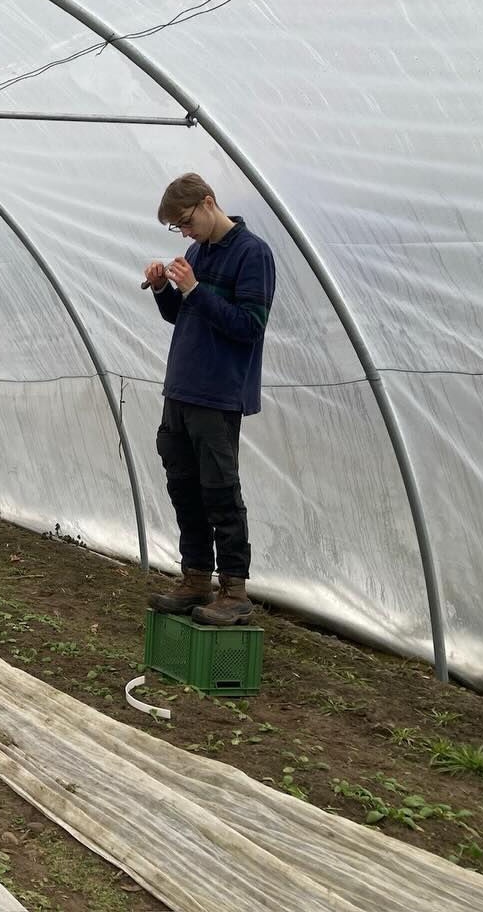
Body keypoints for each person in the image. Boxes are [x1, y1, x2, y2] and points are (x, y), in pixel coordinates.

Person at [144, 173, 275, 626]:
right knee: (183, 488)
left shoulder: (253, 254)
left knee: (219, 491)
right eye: (176, 229)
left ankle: (233, 588)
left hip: (218, 395)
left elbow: (248, 327)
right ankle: (196, 577)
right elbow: (184, 318)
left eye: (184, 222)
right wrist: (166, 289)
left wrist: (196, 289)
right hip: (180, 388)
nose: (184, 233)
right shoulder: (198, 252)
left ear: (207, 203)